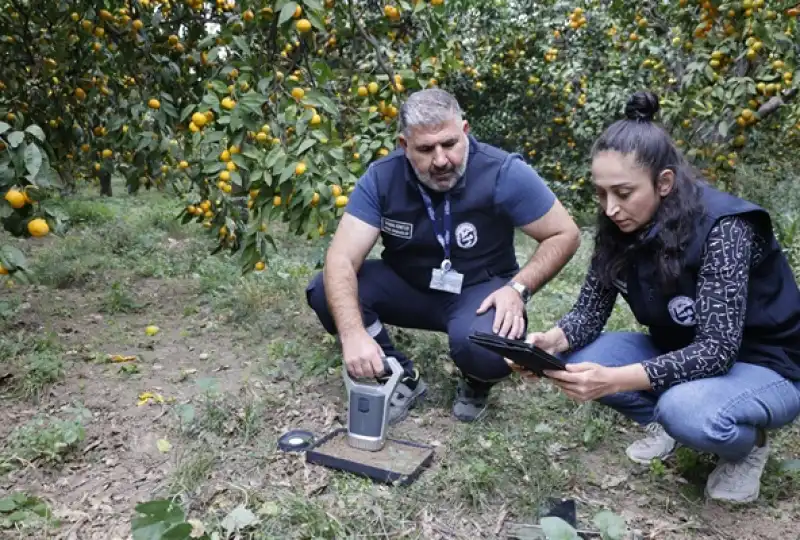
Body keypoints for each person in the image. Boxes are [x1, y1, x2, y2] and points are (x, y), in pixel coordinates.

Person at [513, 90, 800, 504]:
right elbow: (588, 316)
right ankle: (666, 420)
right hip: (682, 351)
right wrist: (548, 343)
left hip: (764, 364)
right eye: (601, 193)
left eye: (624, 193)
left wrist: (613, 380)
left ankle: (748, 446)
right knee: (574, 360)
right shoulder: (618, 228)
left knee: (685, 410)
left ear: (664, 183)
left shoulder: (724, 228)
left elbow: (717, 351)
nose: (610, 208)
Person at [305, 88, 581, 424]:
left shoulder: (502, 171)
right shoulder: (381, 177)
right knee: (324, 290)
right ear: (404, 146)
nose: (440, 160)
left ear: (465, 131)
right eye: (425, 149)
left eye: (449, 144)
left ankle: (476, 380)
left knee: (488, 351)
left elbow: (564, 233)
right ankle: (396, 372)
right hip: (409, 287)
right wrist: (352, 334)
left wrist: (518, 288)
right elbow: (341, 258)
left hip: (479, 292)